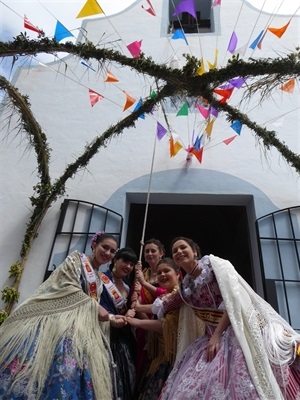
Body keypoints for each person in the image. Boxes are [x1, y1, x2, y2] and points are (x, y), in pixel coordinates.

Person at [159, 237, 300, 400]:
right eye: (175, 251)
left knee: (261, 363)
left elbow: (232, 301)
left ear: (194, 251)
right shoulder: (186, 288)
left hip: (236, 329)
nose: (179, 252)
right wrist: (133, 309)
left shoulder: (214, 267)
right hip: (210, 338)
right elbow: (166, 304)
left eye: (183, 247)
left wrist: (217, 335)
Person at [0, 231, 120, 400]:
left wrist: (111, 319)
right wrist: (94, 306)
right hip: (60, 321)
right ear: (94, 245)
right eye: (104, 247)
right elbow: (65, 284)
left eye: (112, 251)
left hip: (83, 328)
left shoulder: (100, 280)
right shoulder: (76, 259)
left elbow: (95, 308)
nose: (107, 253)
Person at [127, 257, 182, 400]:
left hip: (175, 358)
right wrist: (137, 305)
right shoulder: (166, 296)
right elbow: (155, 308)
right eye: (159, 272)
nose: (162, 275)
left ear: (178, 273)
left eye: (166, 271)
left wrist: (136, 322)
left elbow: (167, 326)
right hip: (162, 355)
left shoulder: (181, 294)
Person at [100, 247, 138, 400]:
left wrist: (131, 312)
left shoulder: (128, 286)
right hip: (104, 333)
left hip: (122, 337)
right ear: (115, 260)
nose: (128, 266)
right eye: (125, 261)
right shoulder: (100, 279)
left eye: (131, 264)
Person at [131, 238, 167, 393]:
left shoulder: (167, 272)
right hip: (143, 329)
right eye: (147, 251)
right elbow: (134, 301)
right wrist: (146, 323)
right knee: (142, 365)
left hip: (164, 329)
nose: (150, 253)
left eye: (153, 250)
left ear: (161, 253)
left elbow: (171, 295)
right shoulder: (141, 274)